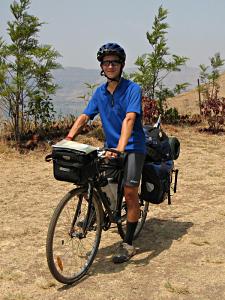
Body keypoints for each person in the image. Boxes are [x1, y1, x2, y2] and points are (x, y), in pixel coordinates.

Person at [65, 42, 146, 263]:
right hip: (111, 148)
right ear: (101, 66)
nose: (110, 66)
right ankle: (97, 214)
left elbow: (130, 119)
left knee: (130, 192)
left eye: (114, 62)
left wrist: (121, 148)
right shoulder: (99, 93)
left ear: (121, 65)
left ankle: (128, 243)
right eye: (106, 62)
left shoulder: (132, 89)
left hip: (133, 147)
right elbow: (84, 117)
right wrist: (68, 138)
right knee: (97, 179)